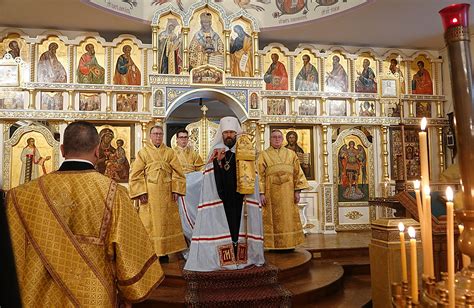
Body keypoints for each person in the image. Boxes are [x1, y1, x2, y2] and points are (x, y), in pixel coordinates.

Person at [6, 121, 163, 306]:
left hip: (36, 298)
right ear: (97, 151)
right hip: (93, 296)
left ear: (63, 150)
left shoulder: (20, 196)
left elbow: (12, 255)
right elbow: (131, 260)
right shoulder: (113, 193)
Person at [184, 116, 265, 271]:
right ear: (222, 134)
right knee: (225, 227)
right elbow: (207, 175)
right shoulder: (215, 154)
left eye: (232, 133)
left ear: (236, 134)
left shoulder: (245, 153)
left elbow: (253, 176)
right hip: (221, 200)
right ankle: (225, 257)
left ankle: (241, 255)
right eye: (226, 132)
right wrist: (217, 162)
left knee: (238, 227)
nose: (229, 135)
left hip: (241, 198)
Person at [129, 125, 187, 261]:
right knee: (149, 222)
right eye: (155, 134)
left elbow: (179, 173)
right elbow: (135, 174)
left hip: (167, 193)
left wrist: (176, 189)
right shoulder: (142, 153)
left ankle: (165, 252)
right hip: (149, 194)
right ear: (150, 136)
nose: (158, 136)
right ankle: (150, 252)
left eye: (160, 134)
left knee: (166, 222)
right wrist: (141, 191)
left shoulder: (170, 152)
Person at [258, 129, 309, 250]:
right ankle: (273, 245)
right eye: (274, 137)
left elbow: (298, 173)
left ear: (282, 139)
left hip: (288, 193)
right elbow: (259, 175)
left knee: (288, 219)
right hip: (270, 195)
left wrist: (297, 191)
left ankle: (290, 243)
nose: (276, 139)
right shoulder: (263, 155)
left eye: (279, 137)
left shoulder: (291, 154)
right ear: (270, 140)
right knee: (272, 220)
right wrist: (261, 193)